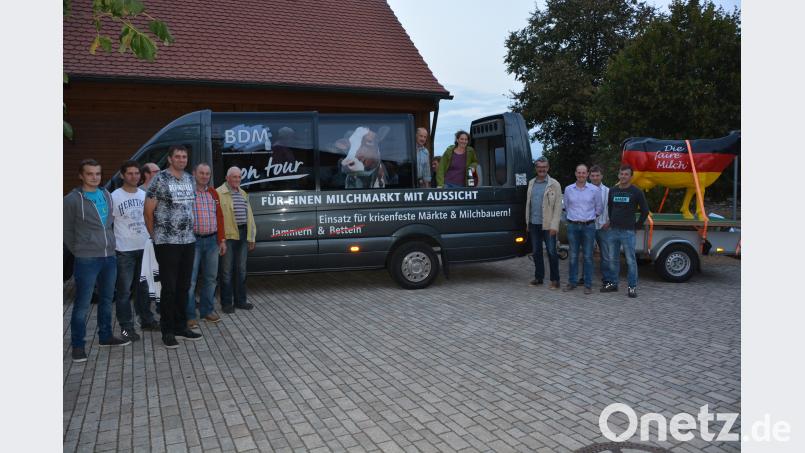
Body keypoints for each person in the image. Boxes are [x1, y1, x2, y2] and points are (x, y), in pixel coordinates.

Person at [64, 159, 131, 362]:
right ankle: (78, 345)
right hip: (87, 259)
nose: (94, 177)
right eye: (90, 173)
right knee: (82, 304)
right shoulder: (71, 200)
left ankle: (105, 336)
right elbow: (65, 230)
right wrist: (79, 250)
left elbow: (109, 224)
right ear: (81, 175)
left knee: (106, 299)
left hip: (109, 256)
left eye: (98, 174)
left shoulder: (106, 194)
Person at [143, 146, 203, 348]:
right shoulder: (159, 179)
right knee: (169, 288)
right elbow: (148, 212)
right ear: (169, 159)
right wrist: (155, 237)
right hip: (167, 242)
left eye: (184, 156)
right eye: (177, 156)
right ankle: (167, 331)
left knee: (184, 287)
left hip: (188, 241)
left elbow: (189, 208)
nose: (181, 159)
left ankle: (180, 326)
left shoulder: (190, 179)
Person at [111, 161, 159, 341]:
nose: (134, 176)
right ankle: (126, 328)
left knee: (144, 288)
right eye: (130, 173)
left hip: (144, 247)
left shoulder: (144, 194)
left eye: (137, 173)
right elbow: (108, 223)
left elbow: (151, 218)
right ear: (122, 175)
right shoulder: (114, 196)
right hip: (124, 250)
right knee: (124, 291)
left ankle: (146, 320)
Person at [186, 163, 227, 329]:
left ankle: (207, 311)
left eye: (207, 174)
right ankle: (189, 316)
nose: (204, 176)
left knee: (211, 278)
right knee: (190, 281)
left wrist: (222, 240)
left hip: (212, 241)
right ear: (194, 173)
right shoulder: (188, 193)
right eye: (201, 173)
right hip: (192, 242)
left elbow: (219, 217)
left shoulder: (213, 193)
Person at [604, 165, 649, 298]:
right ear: (619, 175)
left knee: (630, 261)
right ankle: (613, 283)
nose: (623, 176)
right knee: (613, 259)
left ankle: (632, 287)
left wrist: (637, 226)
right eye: (621, 174)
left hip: (628, 232)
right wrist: (612, 221)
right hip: (613, 231)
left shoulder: (636, 192)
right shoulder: (612, 190)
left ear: (631, 176)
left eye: (626, 174)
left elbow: (645, 211)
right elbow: (610, 208)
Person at [217, 167, 257, 313]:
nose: (237, 180)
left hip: (243, 234)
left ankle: (241, 301)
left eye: (239, 177)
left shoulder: (243, 193)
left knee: (241, 270)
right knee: (226, 271)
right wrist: (220, 238)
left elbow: (250, 217)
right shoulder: (218, 193)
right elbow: (217, 218)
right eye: (234, 177)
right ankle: (227, 303)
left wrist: (251, 237)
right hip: (227, 237)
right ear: (227, 178)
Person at [563, 163, 603, 294]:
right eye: (579, 172)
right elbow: (566, 207)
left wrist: (588, 218)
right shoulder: (568, 189)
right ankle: (572, 282)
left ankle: (588, 284)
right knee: (573, 255)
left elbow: (599, 208)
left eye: (583, 173)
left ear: (587, 174)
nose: (581, 175)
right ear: (576, 173)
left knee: (588, 256)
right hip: (573, 226)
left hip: (588, 227)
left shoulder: (594, 190)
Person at [525, 157, 563, 289]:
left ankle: (555, 280)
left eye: (544, 167)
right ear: (536, 168)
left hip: (548, 225)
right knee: (536, 252)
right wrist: (527, 223)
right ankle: (539, 277)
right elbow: (528, 204)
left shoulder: (555, 184)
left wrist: (554, 226)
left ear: (548, 168)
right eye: (539, 167)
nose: (542, 169)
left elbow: (558, 207)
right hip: (534, 224)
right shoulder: (531, 183)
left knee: (552, 252)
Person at [589, 165, 615, 291]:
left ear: (602, 176)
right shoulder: (585, 189)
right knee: (587, 254)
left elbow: (613, 208)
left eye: (597, 175)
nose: (595, 178)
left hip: (604, 227)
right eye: (593, 175)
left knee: (606, 255)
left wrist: (609, 222)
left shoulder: (609, 191)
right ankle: (586, 278)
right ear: (589, 176)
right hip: (589, 227)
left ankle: (607, 280)